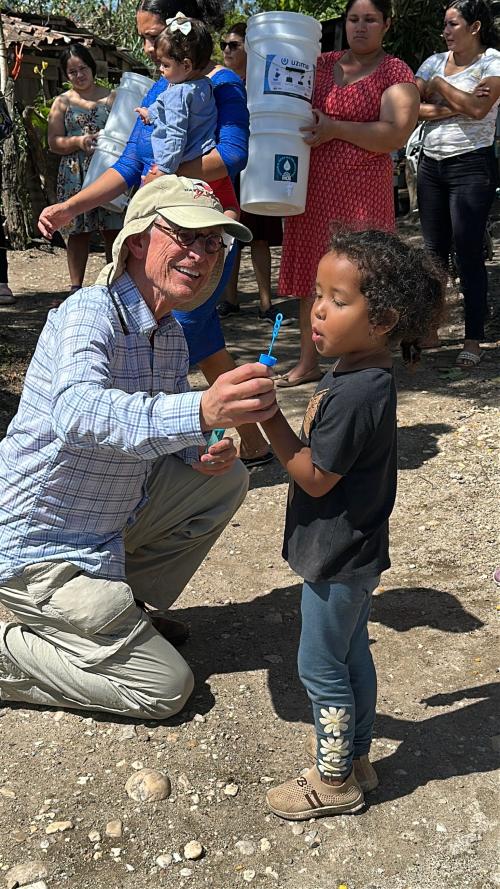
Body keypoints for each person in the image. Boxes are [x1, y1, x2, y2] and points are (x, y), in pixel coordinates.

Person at [0, 175, 278, 719]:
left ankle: (119, 611)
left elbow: (162, 436)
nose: (201, 253)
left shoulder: (168, 333)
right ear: (135, 242)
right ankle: (15, 647)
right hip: (35, 550)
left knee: (224, 478)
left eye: (213, 243)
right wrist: (201, 410)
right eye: (185, 236)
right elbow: (78, 411)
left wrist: (203, 446)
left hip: (103, 531)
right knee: (164, 687)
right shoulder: (89, 312)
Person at [259, 229, 446, 819]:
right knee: (349, 655)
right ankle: (360, 757)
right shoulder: (361, 377)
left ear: (383, 319)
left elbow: (314, 476)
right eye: (317, 293)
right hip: (354, 550)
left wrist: (267, 418)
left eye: (338, 300)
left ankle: (334, 779)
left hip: (337, 557)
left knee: (318, 665)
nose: (316, 309)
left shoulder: (357, 392)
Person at [38, 0, 272, 467]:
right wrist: (71, 206)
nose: (146, 49)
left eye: (153, 36)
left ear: (185, 36)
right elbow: (129, 164)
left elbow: (232, 152)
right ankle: (263, 439)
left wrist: (167, 177)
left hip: (202, 228)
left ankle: (167, 448)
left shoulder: (218, 83)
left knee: (177, 331)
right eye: (145, 38)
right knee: (198, 338)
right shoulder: (163, 87)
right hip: (159, 226)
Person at [276, 0, 419, 387]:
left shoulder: (395, 72)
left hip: (361, 191)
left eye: (370, 20)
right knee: (312, 273)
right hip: (313, 185)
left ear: (386, 24)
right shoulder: (321, 64)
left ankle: (365, 362)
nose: (360, 27)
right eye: (354, 19)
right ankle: (308, 361)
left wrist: (336, 128)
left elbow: (395, 132)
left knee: (363, 275)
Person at [416, 0, 500, 368]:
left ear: (475, 26)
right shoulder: (433, 61)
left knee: (467, 253)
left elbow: (481, 110)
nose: (445, 31)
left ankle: (473, 338)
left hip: (471, 164)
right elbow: (410, 104)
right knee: (433, 250)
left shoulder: (493, 61)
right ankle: (431, 329)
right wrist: (457, 102)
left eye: (452, 24)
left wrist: (439, 87)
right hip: (430, 163)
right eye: (445, 25)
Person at [218, 21, 285, 325]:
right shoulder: (219, 82)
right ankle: (229, 300)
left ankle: (265, 303)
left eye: (233, 44)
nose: (227, 50)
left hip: (259, 165)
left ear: (249, 47)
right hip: (227, 166)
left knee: (259, 238)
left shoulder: (263, 80)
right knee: (229, 234)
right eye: (224, 45)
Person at [47, 44, 123, 294]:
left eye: (83, 68)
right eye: (72, 72)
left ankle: (116, 284)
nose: (79, 75)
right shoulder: (62, 102)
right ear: (65, 75)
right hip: (74, 174)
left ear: (92, 67)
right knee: (78, 230)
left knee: (114, 226)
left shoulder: (112, 97)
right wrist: (78, 142)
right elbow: (53, 142)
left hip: (107, 172)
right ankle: (75, 288)